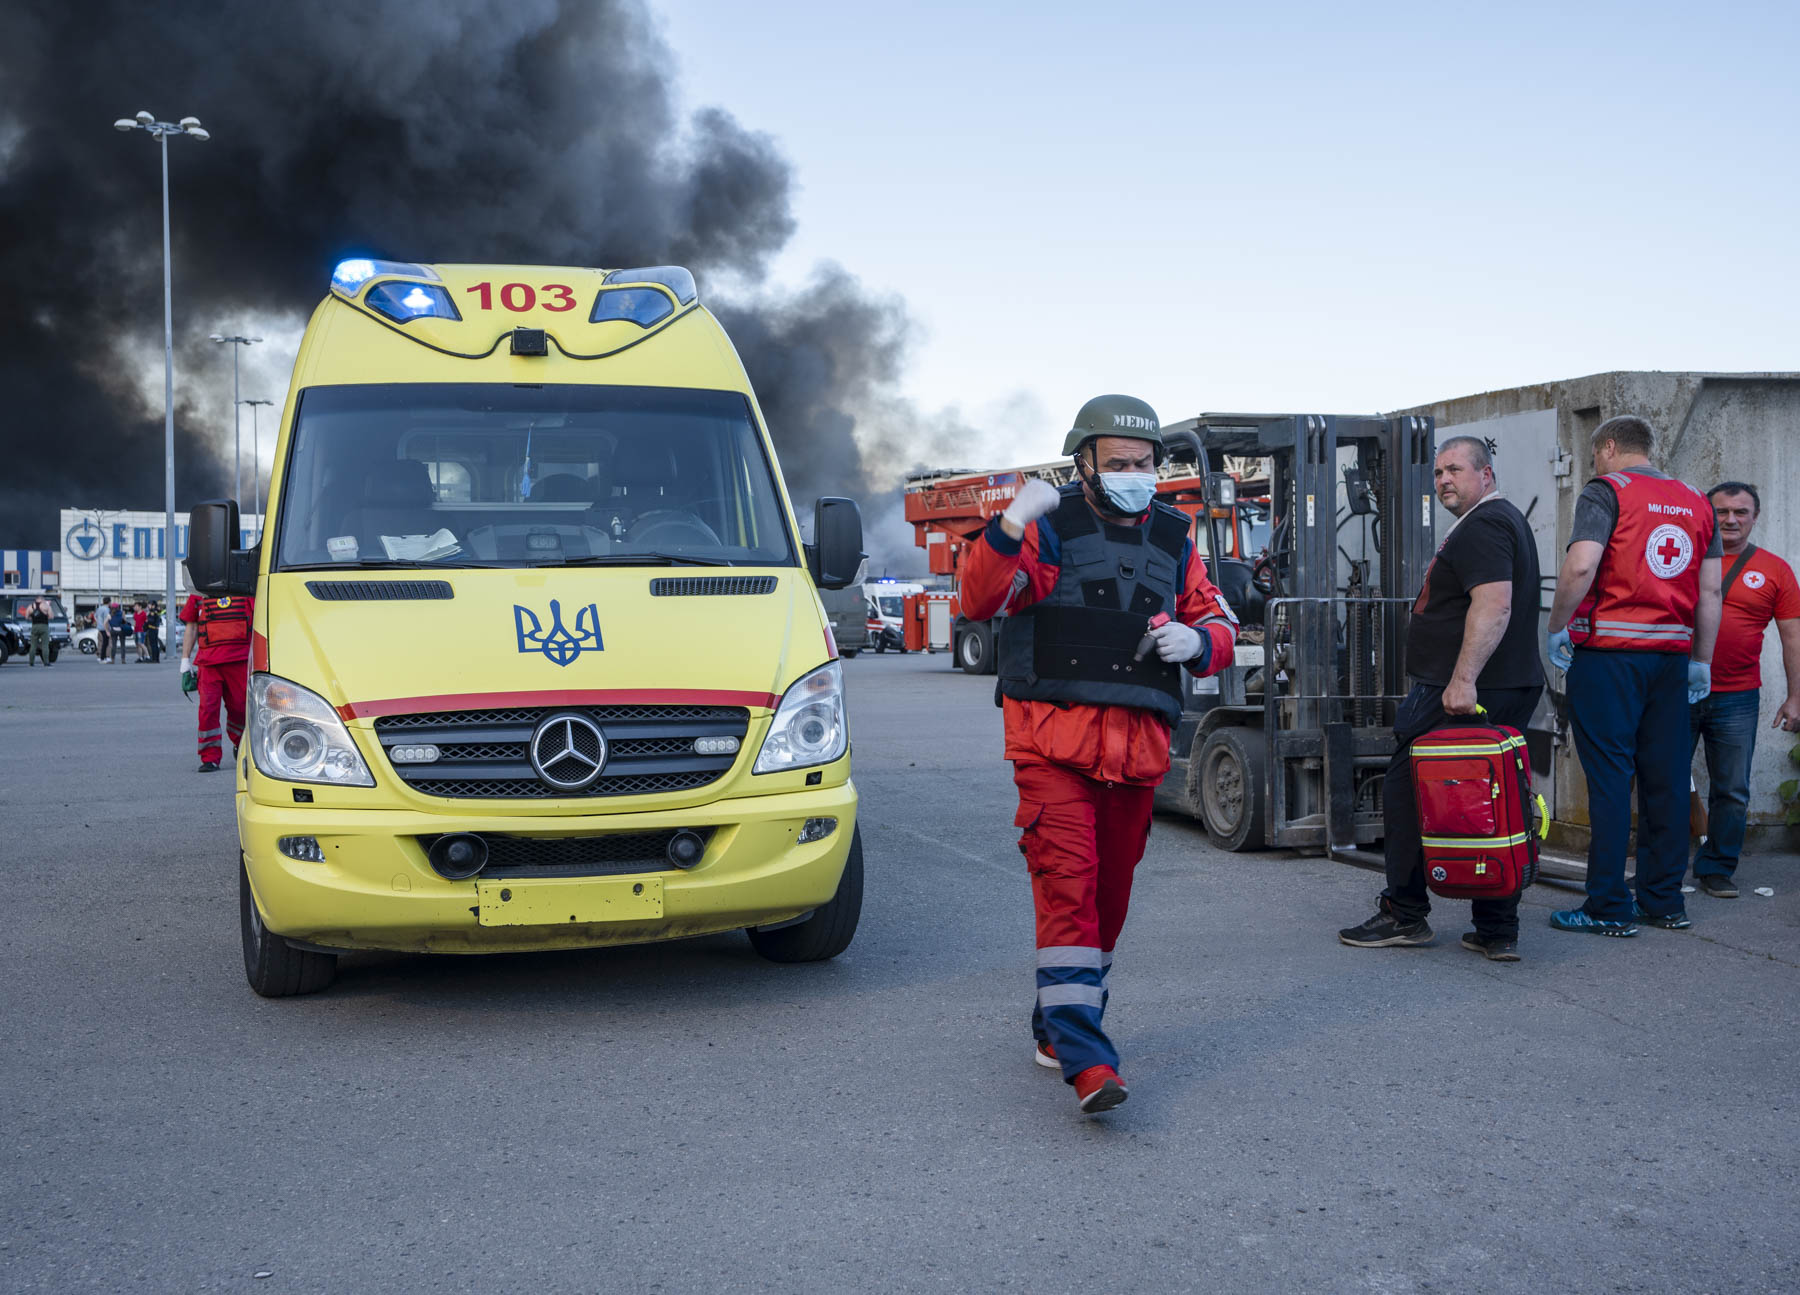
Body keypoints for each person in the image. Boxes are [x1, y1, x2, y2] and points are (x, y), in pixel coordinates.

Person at [960, 394, 1237, 1115]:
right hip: (1053, 749)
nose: (1136, 475)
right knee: (1069, 891)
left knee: (1107, 904)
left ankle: (1057, 1023)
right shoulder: (1049, 533)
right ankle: (1088, 1060)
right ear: (1084, 464)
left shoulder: (1177, 539)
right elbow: (984, 598)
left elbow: (1217, 619)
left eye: (1145, 464)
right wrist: (1010, 522)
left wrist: (1199, 641)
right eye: (1119, 463)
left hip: (1137, 757)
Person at [1339, 437, 1544, 960]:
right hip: (1499, 683)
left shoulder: (1485, 524)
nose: (1444, 480)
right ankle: (1497, 928)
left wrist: (1462, 680)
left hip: (1461, 690)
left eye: (1455, 469)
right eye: (1437, 473)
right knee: (1488, 801)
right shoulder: (1502, 521)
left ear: (1487, 475)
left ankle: (1404, 915)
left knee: (1406, 794)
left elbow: (1494, 605)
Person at [1545, 415, 1721, 936]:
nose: (1596, 462)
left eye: (1596, 453)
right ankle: (1664, 902)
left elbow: (1581, 567)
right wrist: (1701, 660)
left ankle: (1606, 907)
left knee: (1610, 781)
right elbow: (1710, 594)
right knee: (1666, 780)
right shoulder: (1695, 500)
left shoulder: (1607, 491)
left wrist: (1557, 627)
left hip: (1609, 659)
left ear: (1610, 446)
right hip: (1670, 661)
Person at [1688, 481, 1800, 898]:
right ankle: (1655, 868)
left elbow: (1793, 637)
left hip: (1737, 696)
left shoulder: (1775, 569)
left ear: (1755, 517)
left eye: (1741, 512)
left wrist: (1796, 695)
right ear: (1707, 515)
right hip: (1677, 691)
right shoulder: (1687, 558)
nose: (1731, 520)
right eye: (1721, 512)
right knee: (1661, 780)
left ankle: (1717, 868)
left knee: (1732, 788)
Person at [179, 585, 255, 773]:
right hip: (208, 663)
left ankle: (241, 742)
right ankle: (210, 757)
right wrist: (185, 659)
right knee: (208, 710)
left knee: (240, 708)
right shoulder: (199, 591)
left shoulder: (247, 589)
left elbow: (260, 623)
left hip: (240, 660)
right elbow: (192, 625)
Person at [26, 598, 54, 666]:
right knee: (45, 645)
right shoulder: (46, 606)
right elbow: (51, 617)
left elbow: (26, 617)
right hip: (44, 626)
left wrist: (33, 618)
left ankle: (31, 662)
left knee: (33, 645)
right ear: (42, 600)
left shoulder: (30, 606)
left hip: (34, 626)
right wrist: (45, 617)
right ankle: (46, 662)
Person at [108, 599, 127, 666]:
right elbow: (125, 621)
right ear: (118, 607)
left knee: (114, 645)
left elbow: (108, 622)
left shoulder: (110, 614)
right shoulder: (122, 612)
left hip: (113, 630)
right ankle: (123, 660)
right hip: (121, 630)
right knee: (122, 645)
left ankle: (113, 660)